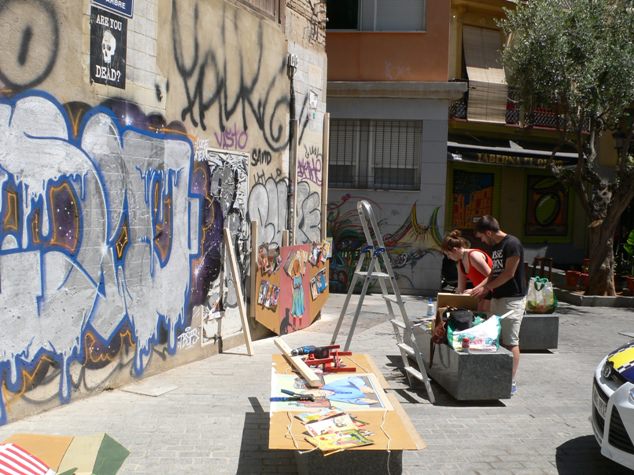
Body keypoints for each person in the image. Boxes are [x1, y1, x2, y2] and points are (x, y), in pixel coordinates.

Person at [470, 215, 527, 395]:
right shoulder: (496, 247)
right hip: (497, 298)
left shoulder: (512, 244)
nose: (482, 241)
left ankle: (510, 381)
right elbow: (494, 274)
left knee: (510, 341)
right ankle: (495, 375)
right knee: (493, 338)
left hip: (512, 300)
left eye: (482, 237)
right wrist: (479, 289)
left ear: (488, 232)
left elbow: (509, 273)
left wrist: (487, 288)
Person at [441, 229, 493, 312]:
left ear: (455, 250)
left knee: (483, 315)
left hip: (492, 291)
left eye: (448, 254)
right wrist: (451, 303)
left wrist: (473, 290)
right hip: (481, 293)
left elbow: (492, 275)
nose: (448, 257)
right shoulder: (459, 263)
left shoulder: (473, 256)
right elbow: (460, 289)